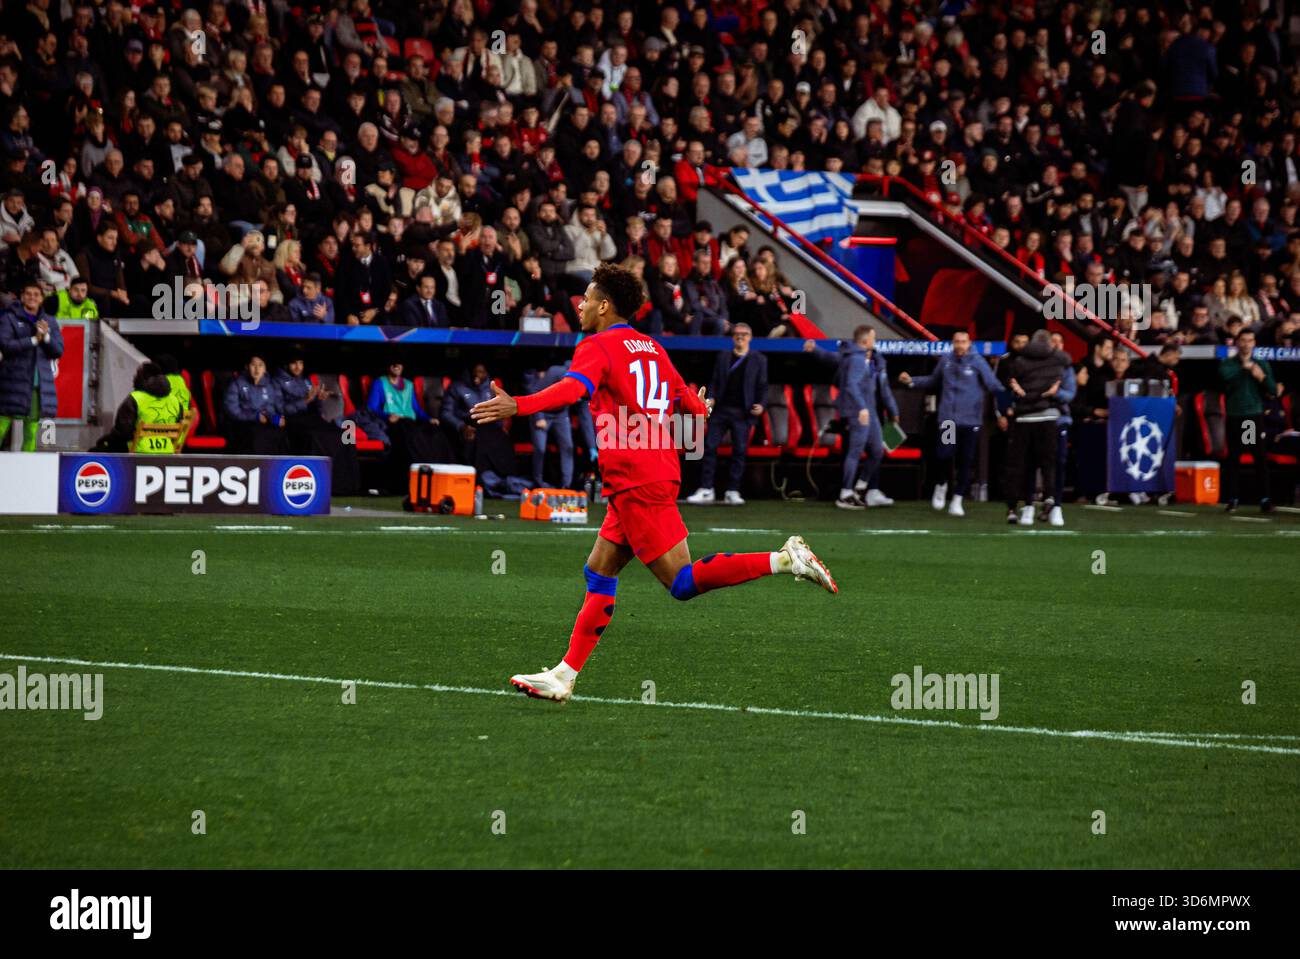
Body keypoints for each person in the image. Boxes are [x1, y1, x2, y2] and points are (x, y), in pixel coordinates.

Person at [470, 263, 837, 702]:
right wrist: (698, 411)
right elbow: (690, 403)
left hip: (635, 478)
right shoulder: (653, 347)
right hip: (651, 471)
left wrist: (519, 405)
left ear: (604, 306)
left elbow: (572, 390)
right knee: (599, 570)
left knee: (681, 583)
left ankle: (784, 560)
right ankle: (565, 673)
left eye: (586, 298)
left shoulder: (597, 345)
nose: (580, 305)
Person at [897, 330, 1001, 517]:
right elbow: (933, 380)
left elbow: (993, 384)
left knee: (965, 460)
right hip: (949, 420)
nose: (960, 345)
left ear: (969, 343)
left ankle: (958, 499)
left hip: (970, 421)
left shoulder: (977, 362)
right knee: (944, 454)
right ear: (953, 343)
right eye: (957, 342)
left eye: (963, 342)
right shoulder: (946, 361)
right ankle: (942, 483)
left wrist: (1011, 395)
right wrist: (912, 381)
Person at [805, 325, 898, 509]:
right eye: (873, 337)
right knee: (855, 451)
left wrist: (893, 410)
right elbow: (850, 384)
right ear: (865, 340)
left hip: (869, 411)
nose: (875, 340)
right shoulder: (855, 358)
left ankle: (860, 489)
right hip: (859, 411)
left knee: (877, 451)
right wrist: (861, 408)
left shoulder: (873, 359)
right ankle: (845, 494)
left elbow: (832, 359)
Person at [686, 323, 768, 505]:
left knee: (739, 451)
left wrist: (761, 405)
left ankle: (733, 490)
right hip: (721, 411)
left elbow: (762, 386)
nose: (740, 337)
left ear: (750, 337)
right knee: (709, 448)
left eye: (744, 334)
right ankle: (707, 489)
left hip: (743, 413)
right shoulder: (723, 357)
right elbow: (715, 381)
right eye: (737, 334)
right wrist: (712, 397)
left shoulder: (759, 359)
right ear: (732, 337)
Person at [1004, 330, 1074, 527]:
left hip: (1025, 417)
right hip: (1049, 416)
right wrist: (1049, 394)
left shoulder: (1019, 360)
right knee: (1049, 463)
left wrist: (1023, 395)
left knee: (1019, 465)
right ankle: (1049, 500)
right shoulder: (1059, 361)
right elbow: (1066, 389)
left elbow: (1011, 385)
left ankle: (1014, 507)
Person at [274, 352, 359, 496]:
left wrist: (319, 399)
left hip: (312, 419)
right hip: (293, 421)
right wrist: (306, 400)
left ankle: (345, 486)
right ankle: (317, 485)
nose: (297, 367)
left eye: (300, 363)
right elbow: (281, 408)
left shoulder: (306, 381)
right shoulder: (277, 381)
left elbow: (316, 408)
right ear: (287, 365)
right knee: (315, 437)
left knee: (345, 436)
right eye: (294, 363)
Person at [1220, 329, 1281, 512]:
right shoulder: (1228, 363)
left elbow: (1273, 389)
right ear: (1237, 343)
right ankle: (1233, 498)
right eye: (1243, 340)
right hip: (1235, 415)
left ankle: (1264, 498)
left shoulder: (1261, 364)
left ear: (1254, 343)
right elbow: (1225, 377)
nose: (1246, 344)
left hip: (1251, 418)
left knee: (1258, 458)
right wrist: (1243, 369)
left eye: (1250, 340)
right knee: (1234, 458)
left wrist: (1260, 376)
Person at [368, 359, 452, 490]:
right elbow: (372, 408)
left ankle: (438, 478)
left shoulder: (409, 385)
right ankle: (413, 480)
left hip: (410, 422)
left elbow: (416, 409)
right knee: (410, 438)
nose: (396, 366)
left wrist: (429, 419)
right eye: (393, 363)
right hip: (393, 423)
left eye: (399, 363)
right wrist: (388, 416)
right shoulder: (380, 383)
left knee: (434, 433)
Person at [0, 282, 64, 451]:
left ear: (41, 299)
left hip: (37, 385)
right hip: (11, 383)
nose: (32, 297)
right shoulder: (9, 318)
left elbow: (58, 350)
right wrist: (34, 340)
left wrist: (46, 337)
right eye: (28, 294)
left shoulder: (49, 321)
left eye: (36, 294)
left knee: (31, 431)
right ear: (22, 297)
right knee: (1, 427)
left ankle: (24, 472)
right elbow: (5, 345)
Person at [97, 361, 183, 453]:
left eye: (137, 374)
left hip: (138, 452)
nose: (134, 377)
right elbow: (179, 429)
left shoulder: (134, 398)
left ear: (143, 378)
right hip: (168, 451)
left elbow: (123, 433)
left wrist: (107, 439)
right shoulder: (175, 401)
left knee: (96, 450)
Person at [522, 363, 577, 489]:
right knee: (540, 448)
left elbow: (584, 410)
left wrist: (591, 446)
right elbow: (536, 391)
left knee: (568, 447)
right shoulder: (556, 372)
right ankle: (538, 482)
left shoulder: (583, 381)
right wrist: (538, 417)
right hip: (543, 410)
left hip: (561, 414)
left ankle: (566, 485)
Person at [222, 355, 290, 454]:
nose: (257, 369)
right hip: (242, 424)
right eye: (253, 365)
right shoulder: (236, 383)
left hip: (263, 423)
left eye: (260, 365)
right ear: (247, 367)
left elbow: (271, 409)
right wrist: (255, 416)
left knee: (281, 433)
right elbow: (232, 411)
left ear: (265, 368)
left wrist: (275, 418)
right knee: (256, 436)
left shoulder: (270, 385)